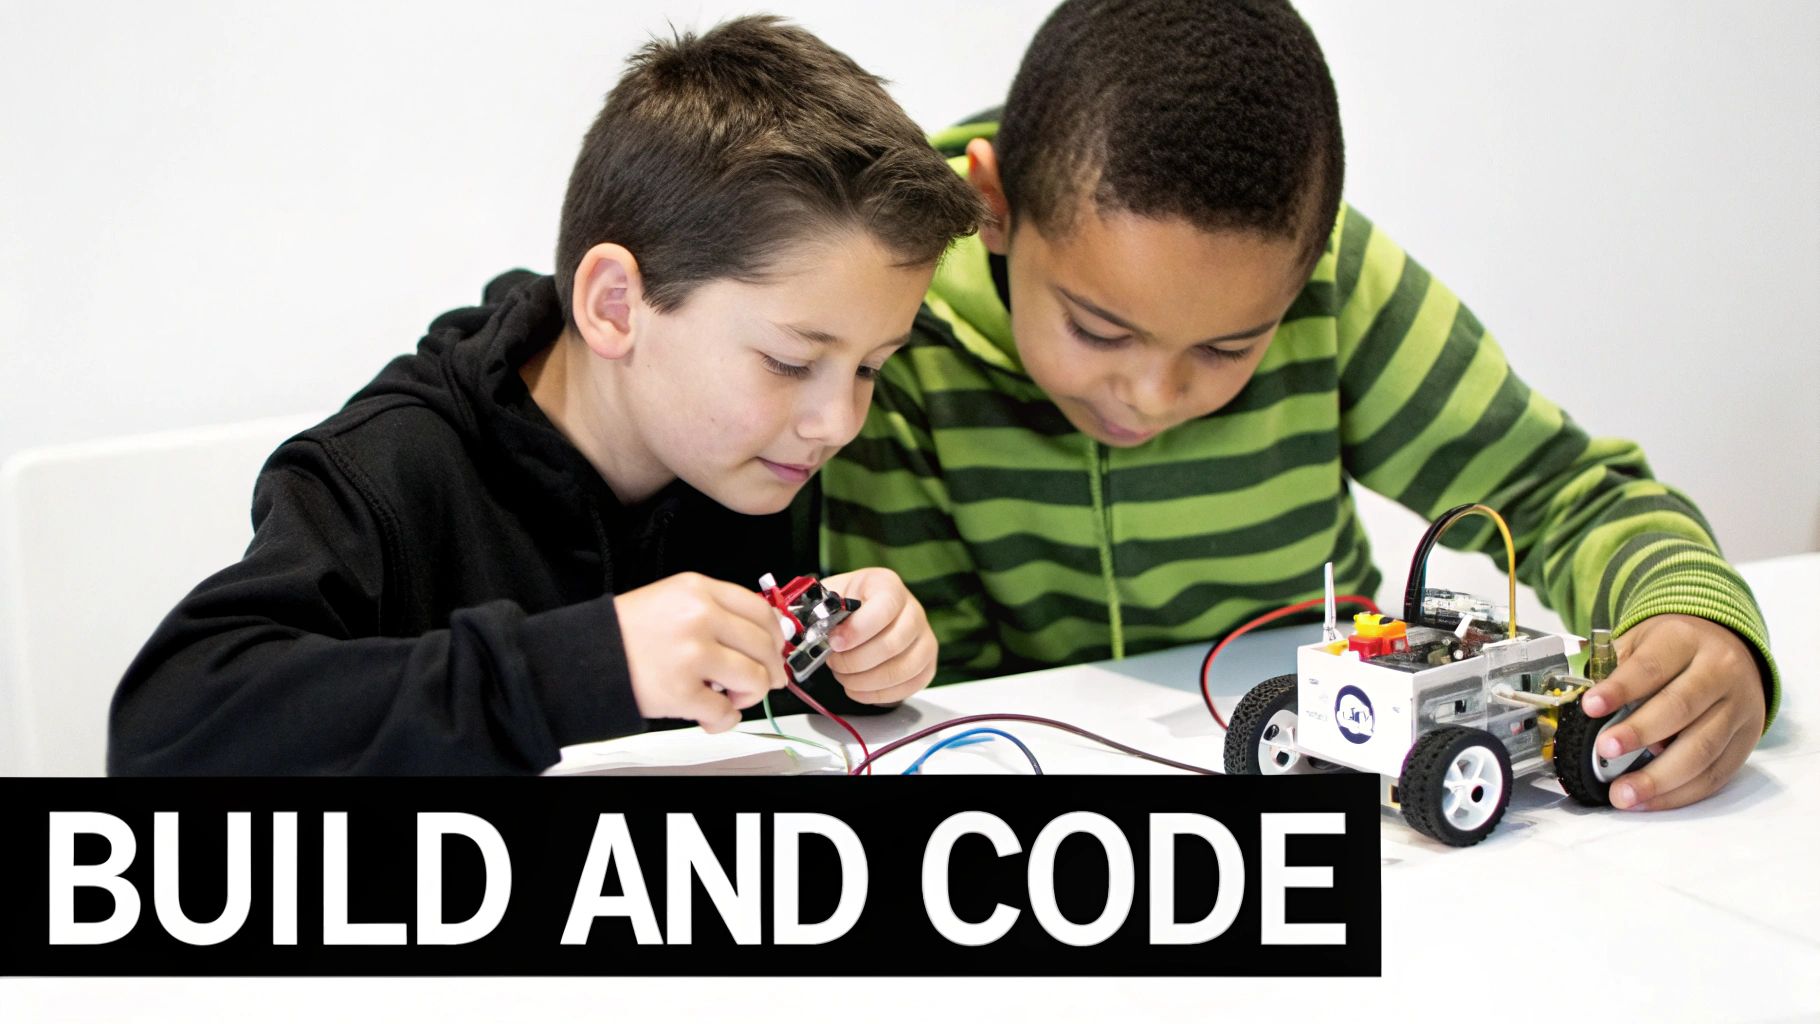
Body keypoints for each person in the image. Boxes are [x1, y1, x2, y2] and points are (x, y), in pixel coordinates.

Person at [821, 0, 1777, 811]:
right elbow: (925, 688)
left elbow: (1565, 490)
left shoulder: (1336, 281)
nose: (1154, 394)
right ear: (994, 206)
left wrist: (1695, 617)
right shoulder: (893, 324)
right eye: (1100, 330)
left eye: (1230, 346)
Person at [110, 16, 983, 775]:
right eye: (793, 362)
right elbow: (165, 736)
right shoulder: (393, 468)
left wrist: (842, 660)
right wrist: (584, 666)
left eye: (871, 367)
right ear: (616, 306)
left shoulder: (743, 457)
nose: (837, 420)